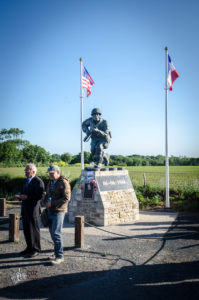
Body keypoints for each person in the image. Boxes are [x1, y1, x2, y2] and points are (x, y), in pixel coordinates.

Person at [44, 165, 71, 265]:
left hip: (59, 211)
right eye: (49, 173)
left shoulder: (64, 182)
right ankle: (56, 253)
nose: (50, 175)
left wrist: (52, 203)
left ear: (58, 172)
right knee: (52, 233)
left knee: (56, 234)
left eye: (52, 173)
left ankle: (60, 256)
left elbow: (67, 198)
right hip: (50, 210)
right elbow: (47, 195)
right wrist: (44, 200)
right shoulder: (50, 182)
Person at [18, 163, 44, 257]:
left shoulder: (38, 181)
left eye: (27, 170)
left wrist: (27, 197)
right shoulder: (26, 181)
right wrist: (20, 196)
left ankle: (36, 249)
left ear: (33, 171)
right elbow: (23, 192)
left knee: (34, 229)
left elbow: (39, 196)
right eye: (25, 170)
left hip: (33, 210)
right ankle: (29, 247)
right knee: (26, 229)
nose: (25, 172)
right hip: (25, 209)